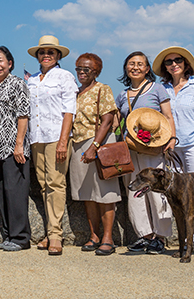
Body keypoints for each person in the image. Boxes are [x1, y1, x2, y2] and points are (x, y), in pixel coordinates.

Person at [153, 45, 194, 255]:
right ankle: (191, 236)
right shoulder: (163, 89)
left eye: (177, 60)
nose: (173, 65)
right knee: (180, 195)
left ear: (185, 64)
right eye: (169, 62)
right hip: (172, 147)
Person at [115, 51, 176, 255]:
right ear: (126, 68)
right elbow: (117, 121)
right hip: (131, 150)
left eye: (140, 64)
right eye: (131, 63)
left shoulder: (157, 89)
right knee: (134, 191)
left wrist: (172, 139)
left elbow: (168, 115)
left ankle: (160, 236)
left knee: (158, 192)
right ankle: (145, 236)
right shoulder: (122, 95)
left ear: (147, 69)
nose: (136, 67)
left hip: (154, 148)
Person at [26, 35, 77, 256]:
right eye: (42, 52)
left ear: (58, 56)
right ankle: (50, 231)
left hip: (56, 136)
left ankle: (56, 234)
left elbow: (69, 110)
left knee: (56, 184)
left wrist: (64, 141)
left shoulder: (64, 77)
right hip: (36, 136)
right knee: (44, 185)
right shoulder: (31, 80)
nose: (46, 55)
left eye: (50, 52)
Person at [69, 53, 121, 257]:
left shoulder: (103, 89)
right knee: (87, 194)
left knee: (105, 192)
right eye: (79, 68)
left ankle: (108, 238)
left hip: (99, 143)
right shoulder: (74, 92)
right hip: (78, 144)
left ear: (96, 72)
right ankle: (94, 235)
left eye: (86, 69)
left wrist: (95, 146)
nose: (82, 72)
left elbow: (107, 120)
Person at [0, 45, 31, 252]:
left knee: (16, 192)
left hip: (13, 147)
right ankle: (9, 234)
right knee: (2, 192)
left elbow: (23, 114)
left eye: (0, 60)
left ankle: (21, 238)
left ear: (9, 63)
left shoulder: (18, 84)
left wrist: (19, 144)